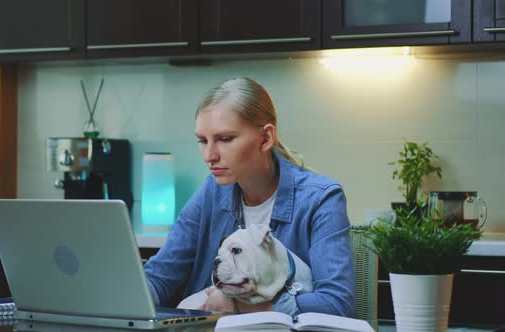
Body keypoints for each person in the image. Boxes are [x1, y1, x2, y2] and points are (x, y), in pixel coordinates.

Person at [144, 77, 355, 317]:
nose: (209, 155)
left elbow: (337, 304)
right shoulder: (212, 192)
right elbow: (160, 277)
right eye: (203, 141)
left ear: (265, 138)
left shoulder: (321, 198)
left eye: (225, 139)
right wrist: (120, 296)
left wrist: (241, 306)